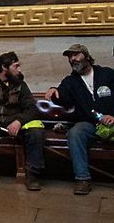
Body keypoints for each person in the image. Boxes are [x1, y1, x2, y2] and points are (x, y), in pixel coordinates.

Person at [43, 44, 114, 195]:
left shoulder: (107, 74)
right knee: (75, 133)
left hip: (112, 121)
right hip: (89, 123)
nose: (73, 59)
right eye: (70, 56)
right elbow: (63, 98)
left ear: (87, 56)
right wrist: (54, 90)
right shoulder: (71, 81)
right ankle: (83, 179)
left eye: (76, 55)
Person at [0, 51, 45, 190]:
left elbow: (31, 108)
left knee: (36, 133)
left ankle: (33, 174)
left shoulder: (20, 84)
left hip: (14, 121)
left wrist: (19, 121)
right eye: (16, 66)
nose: (19, 70)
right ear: (4, 67)